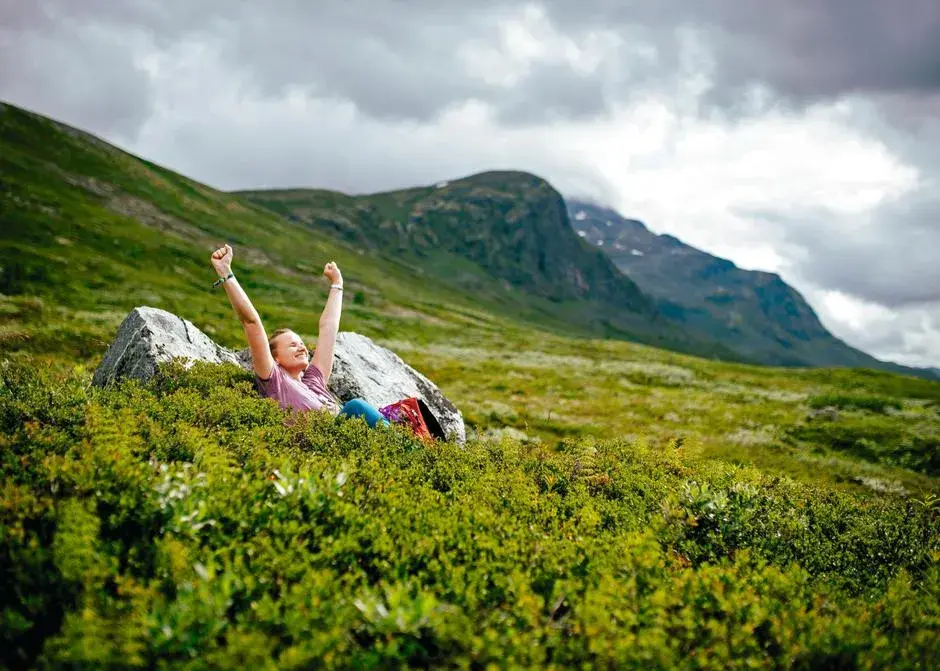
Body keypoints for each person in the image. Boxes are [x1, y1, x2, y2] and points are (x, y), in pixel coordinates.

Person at [209, 243, 388, 428]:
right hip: (321, 445)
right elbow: (251, 322)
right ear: (275, 358)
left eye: (301, 343)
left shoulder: (314, 380)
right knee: (355, 405)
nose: (302, 347)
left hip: (352, 443)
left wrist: (337, 284)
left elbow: (329, 329)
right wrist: (225, 272)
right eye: (293, 345)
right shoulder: (274, 381)